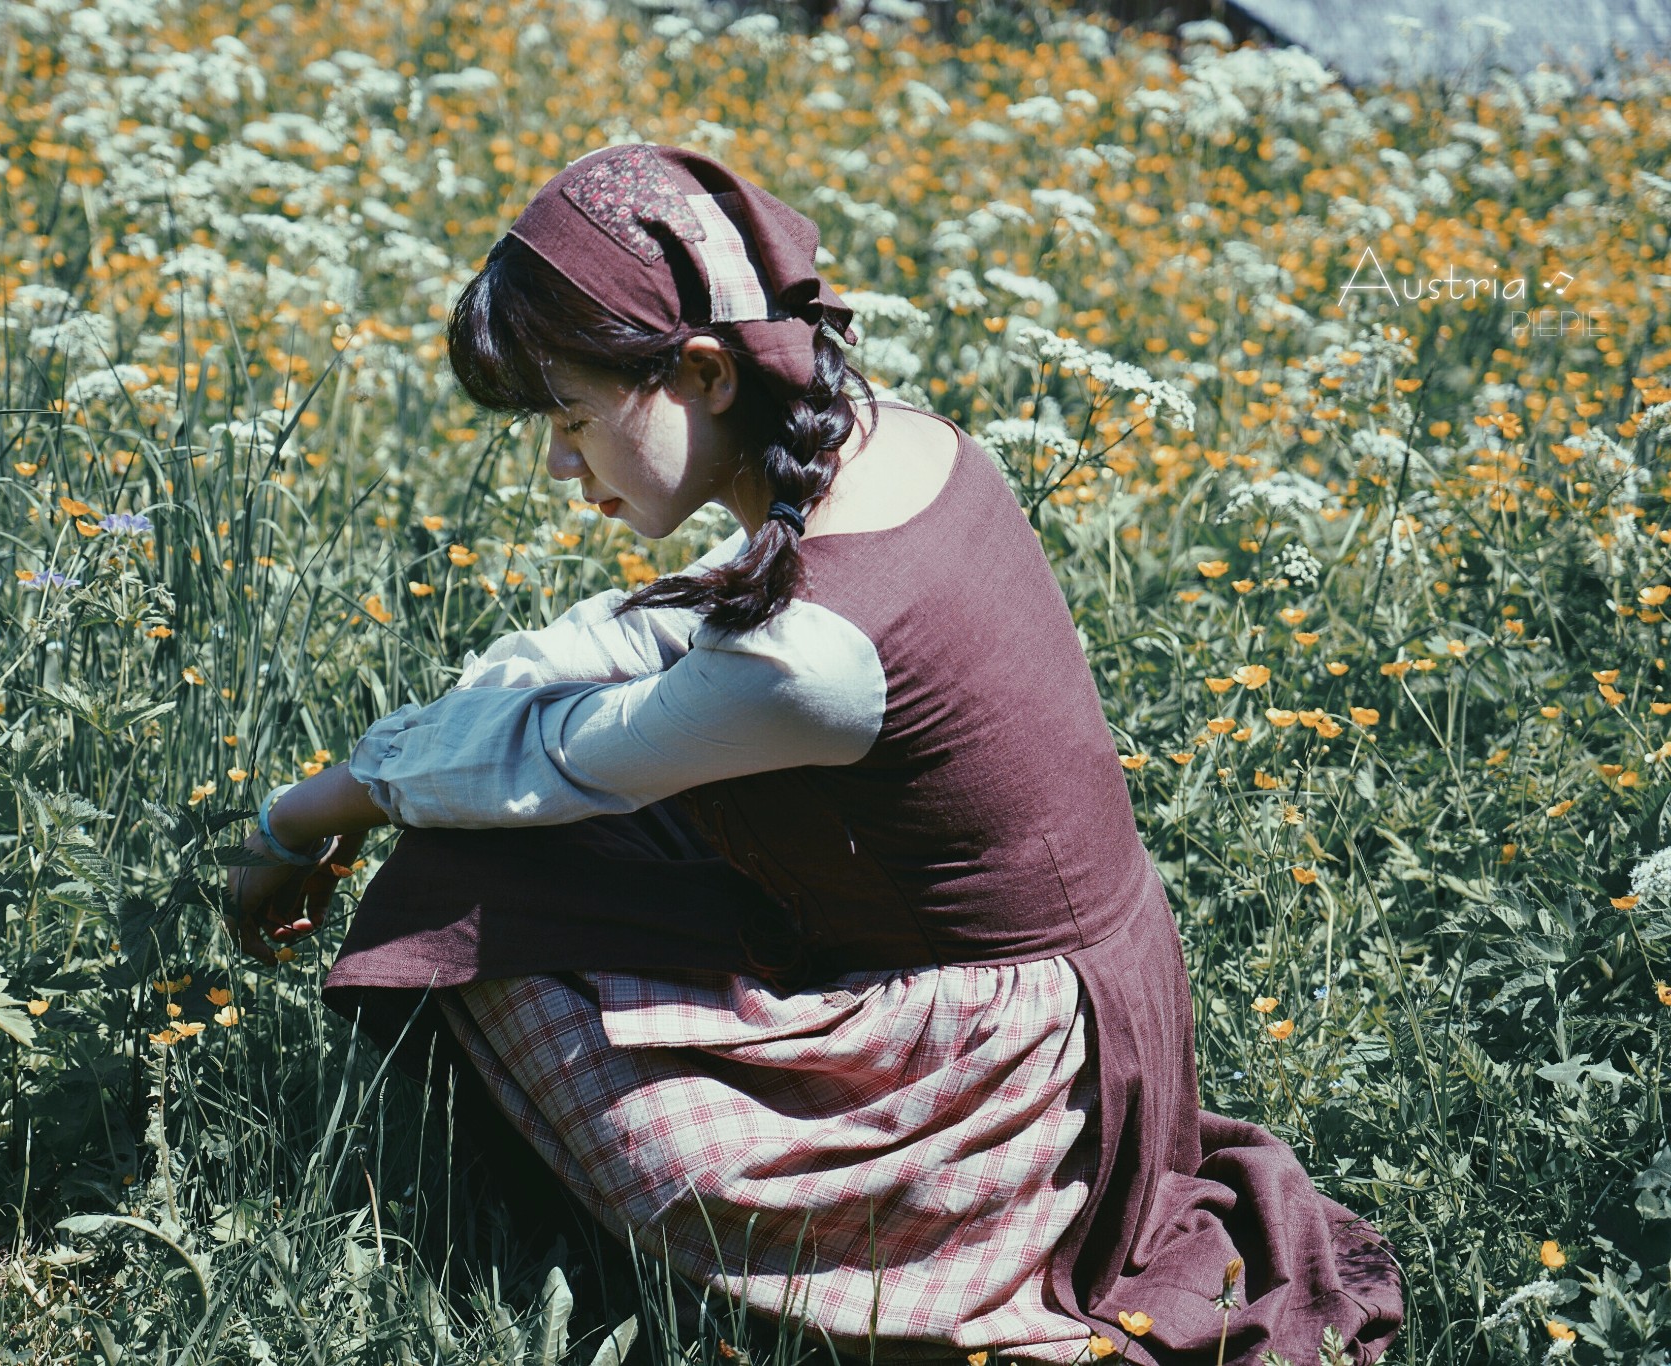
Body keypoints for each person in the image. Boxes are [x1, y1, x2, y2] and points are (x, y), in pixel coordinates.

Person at [224, 144, 1405, 1366]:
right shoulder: (893, 439)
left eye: (571, 419)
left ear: (699, 372)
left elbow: (555, 761)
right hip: (1082, 982)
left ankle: (895, 1266)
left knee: (460, 899)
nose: (555, 466)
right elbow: (638, 637)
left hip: (1003, 1083)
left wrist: (296, 821)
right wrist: (463, 714)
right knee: (501, 844)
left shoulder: (806, 658)